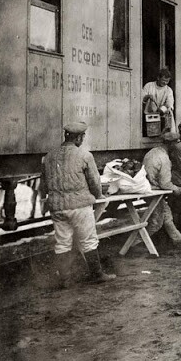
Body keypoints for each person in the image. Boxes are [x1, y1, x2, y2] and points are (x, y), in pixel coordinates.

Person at [39, 122, 116, 286]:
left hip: (57, 207)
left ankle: (65, 280)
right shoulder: (85, 155)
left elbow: (43, 185)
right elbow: (95, 183)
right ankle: (97, 275)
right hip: (79, 206)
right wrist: (98, 196)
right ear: (79, 137)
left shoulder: (48, 156)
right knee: (89, 240)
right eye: (83, 136)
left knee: (62, 242)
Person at [131, 132, 181, 253]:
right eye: (175, 143)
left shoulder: (153, 152)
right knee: (156, 222)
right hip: (152, 191)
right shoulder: (164, 159)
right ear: (171, 144)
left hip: (146, 187)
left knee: (167, 215)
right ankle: (133, 243)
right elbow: (165, 184)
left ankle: (178, 240)